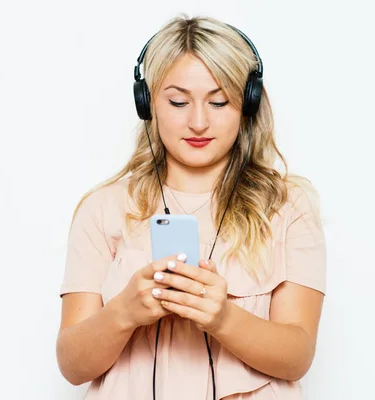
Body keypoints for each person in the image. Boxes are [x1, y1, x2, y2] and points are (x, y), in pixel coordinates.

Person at [55, 14, 327, 400]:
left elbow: (298, 356)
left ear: (247, 104)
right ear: (147, 103)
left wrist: (223, 318)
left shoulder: (288, 206)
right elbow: (71, 365)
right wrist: (124, 313)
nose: (198, 122)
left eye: (219, 101)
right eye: (179, 101)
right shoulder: (102, 209)